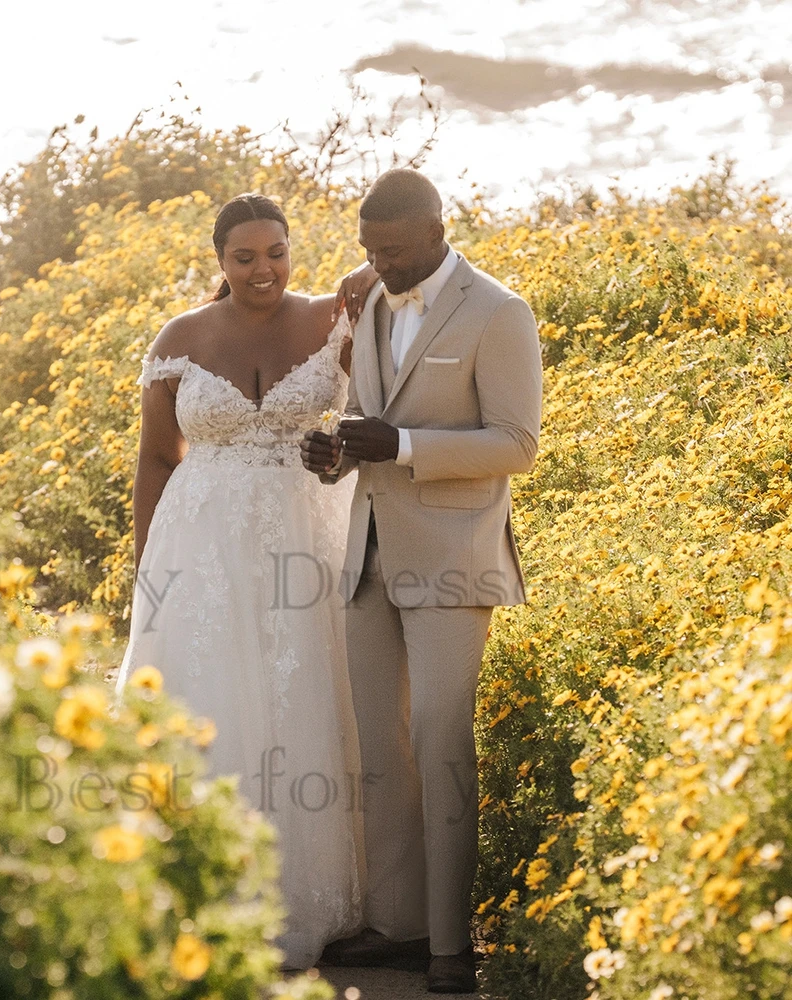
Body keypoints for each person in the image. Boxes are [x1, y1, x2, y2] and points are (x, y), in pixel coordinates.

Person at [113, 193, 378, 970]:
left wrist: (362, 273)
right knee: (208, 696)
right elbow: (158, 459)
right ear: (220, 262)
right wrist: (146, 572)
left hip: (307, 530)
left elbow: (371, 417)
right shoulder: (181, 338)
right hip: (200, 544)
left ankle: (315, 897)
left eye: (277, 252)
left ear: (293, 251)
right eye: (245, 257)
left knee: (312, 697)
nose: (264, 270)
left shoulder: (336, 319)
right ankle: (196, 889)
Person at [301, 168, 543, 994]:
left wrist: (399, 445)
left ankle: (450, 945)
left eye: (395, 252)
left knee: (441, 740)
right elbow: (368, 426)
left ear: (440, 229)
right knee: (381, 750)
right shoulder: (369, 301)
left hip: (452, 559)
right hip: (367, 556)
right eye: (371, 250)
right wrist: (336, 454)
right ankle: (400, 927)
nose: (382, 266)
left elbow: (515, 444)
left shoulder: (499, 312)